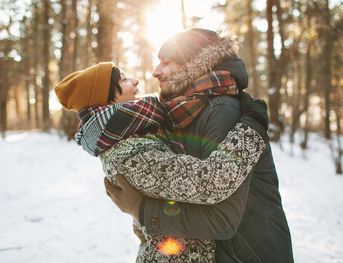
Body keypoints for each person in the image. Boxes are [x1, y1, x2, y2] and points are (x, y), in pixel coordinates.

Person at [106, 28, 294, 262]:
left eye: (166, 62)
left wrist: (142, 211)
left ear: (194, 65)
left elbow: (221, 219)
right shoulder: (185, 111)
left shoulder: (223, 110)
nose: (156, 72)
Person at [55, 61, 269, 262]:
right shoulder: (132, 153)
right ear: (108, 98)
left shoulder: (130, 138)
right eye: (124, 80)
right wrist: (253, 126)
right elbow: (210, 181)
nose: (135, 81)